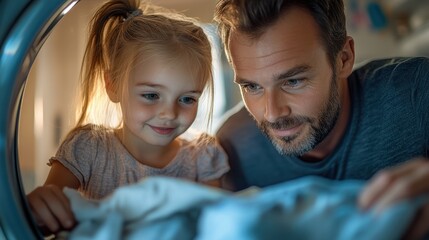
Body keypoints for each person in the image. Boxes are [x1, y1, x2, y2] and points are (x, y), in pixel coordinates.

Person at [214, 0, 429, 239]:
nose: (272, 113)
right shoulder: (232, 147)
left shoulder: (418, 91)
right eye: (252, 86)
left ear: (344, 59)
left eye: (293, 81)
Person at [27, 0, 230, 235]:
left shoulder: (203, 157)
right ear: (112, 85)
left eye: (187, 99)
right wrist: (39, 207)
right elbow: (47, 221)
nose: (170, 114)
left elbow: (217, 229)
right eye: (151, 95)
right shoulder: (87, 149)